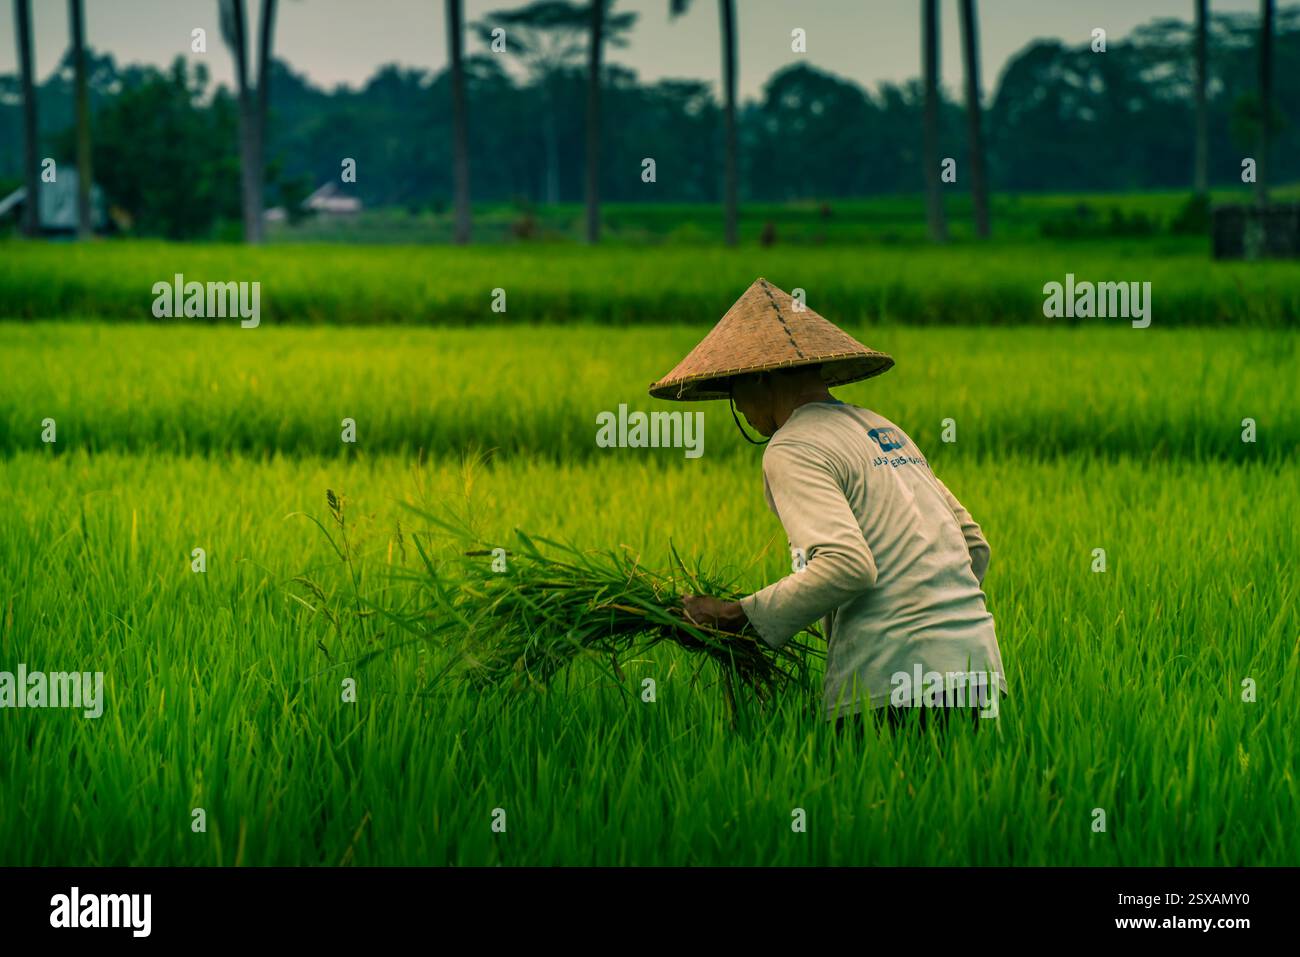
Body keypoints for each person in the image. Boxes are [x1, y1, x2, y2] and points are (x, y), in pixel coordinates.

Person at [648, 278, 1007, 732]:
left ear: (759, 375)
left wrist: (734, 615)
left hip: (889, 680)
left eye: (734, 390)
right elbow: (973, 545)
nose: (739, 407)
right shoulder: (884, 429)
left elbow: (847, 566)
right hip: (975, 670)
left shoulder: (793, 445)